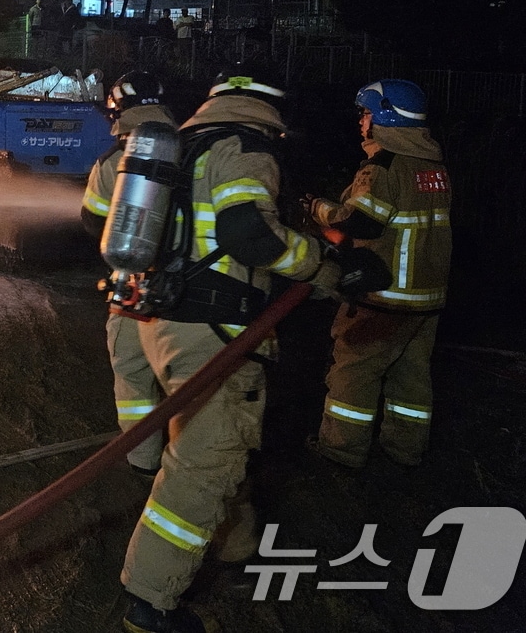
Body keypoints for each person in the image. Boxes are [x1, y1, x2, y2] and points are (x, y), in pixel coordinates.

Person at [117, 66, 347, 633]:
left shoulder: (188, 142)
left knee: (219, 443)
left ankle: (235, 547)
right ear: (272, 110)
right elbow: (249, 234)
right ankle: (149, 603)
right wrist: (319, 264)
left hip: (167, 319)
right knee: (204, 464)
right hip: (216, 332)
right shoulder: (246, 148)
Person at [304, 79, 452, 469]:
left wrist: (318, 209)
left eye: (367, 113)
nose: (361, 121)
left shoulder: (384, 166)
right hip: (428, 297)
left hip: (385, 295)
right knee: (411, 377)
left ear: (387, 116)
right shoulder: (433, 166)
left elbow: (362, 222)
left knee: (353, 372)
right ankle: (405, 449)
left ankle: (341, 450)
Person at [80, 71, 175, 479]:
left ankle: (143, 461)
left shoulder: (115, 161)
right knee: (190, 381)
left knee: (134, 377)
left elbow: (92, 221)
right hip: (191, 290)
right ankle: (188, 459)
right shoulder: (194, 148)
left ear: (118, 112)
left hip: (135, 293)